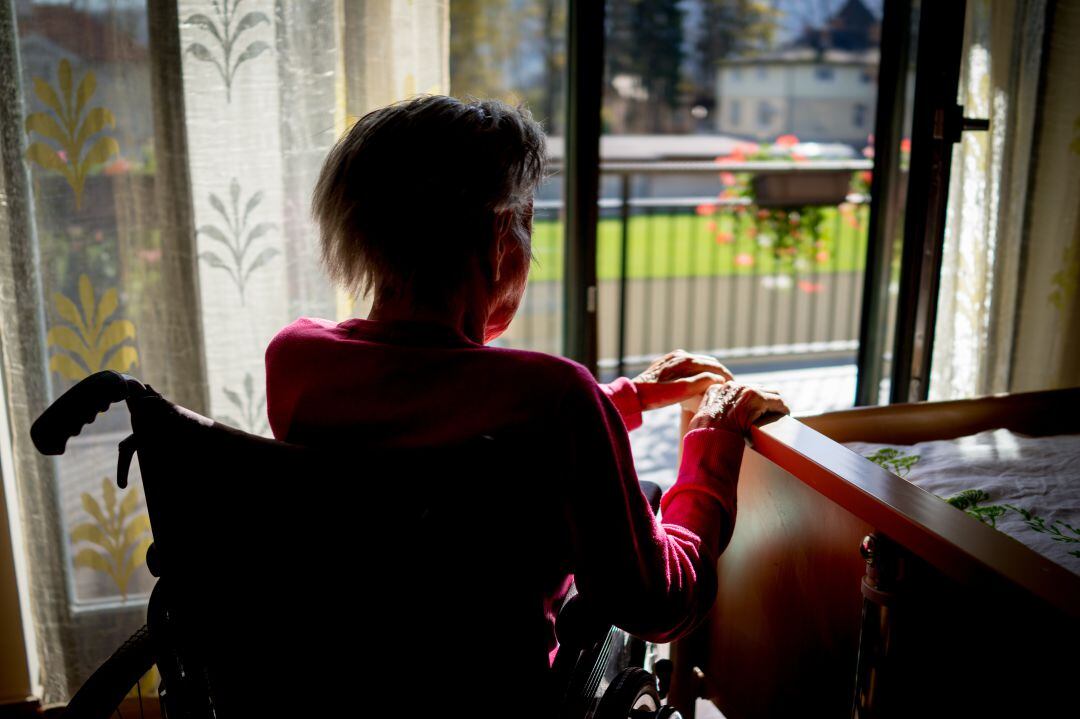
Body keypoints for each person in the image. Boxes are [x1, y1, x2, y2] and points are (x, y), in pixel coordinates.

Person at [264, 95, 787, 713]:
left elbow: (417, 411)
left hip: (335, 681)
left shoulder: (297, 359)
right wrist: (711, 441)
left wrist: (624, 399)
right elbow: (659, 604)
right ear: (497, 237)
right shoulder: (555, 398)